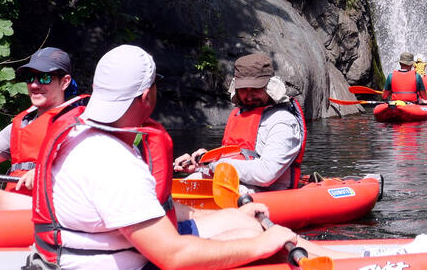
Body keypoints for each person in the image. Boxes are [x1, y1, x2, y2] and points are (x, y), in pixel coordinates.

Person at [26, 44, 296, 270]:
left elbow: (264, 172)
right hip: (117, 260)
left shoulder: (83, 131)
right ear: (147, 94)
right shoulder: (113, 160)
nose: (247, 95)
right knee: (254, 236)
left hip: (85, 251)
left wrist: (227, 210)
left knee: (244, 226)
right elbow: (173, 256)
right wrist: (260, 245)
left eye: (254, 89)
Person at [174, 53, 306, 191]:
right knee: (190, 182)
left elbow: (266, 174)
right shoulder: (239, 115)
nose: (249, 96)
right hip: (234, 183)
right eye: (243, 89)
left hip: (268, 192)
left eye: (255, 89)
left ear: (270, 87)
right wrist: (200, 165)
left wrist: (213, 165)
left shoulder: (283, 122)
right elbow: (235, 160)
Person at [0, 47, 83, 212]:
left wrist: (45, 172)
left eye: (44, 78)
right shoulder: (22, 124)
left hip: (55, 212)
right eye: (29, 77)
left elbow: (85, 170)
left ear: (65, 82)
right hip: (20, 212)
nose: (34, 84)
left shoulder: (79, 126)